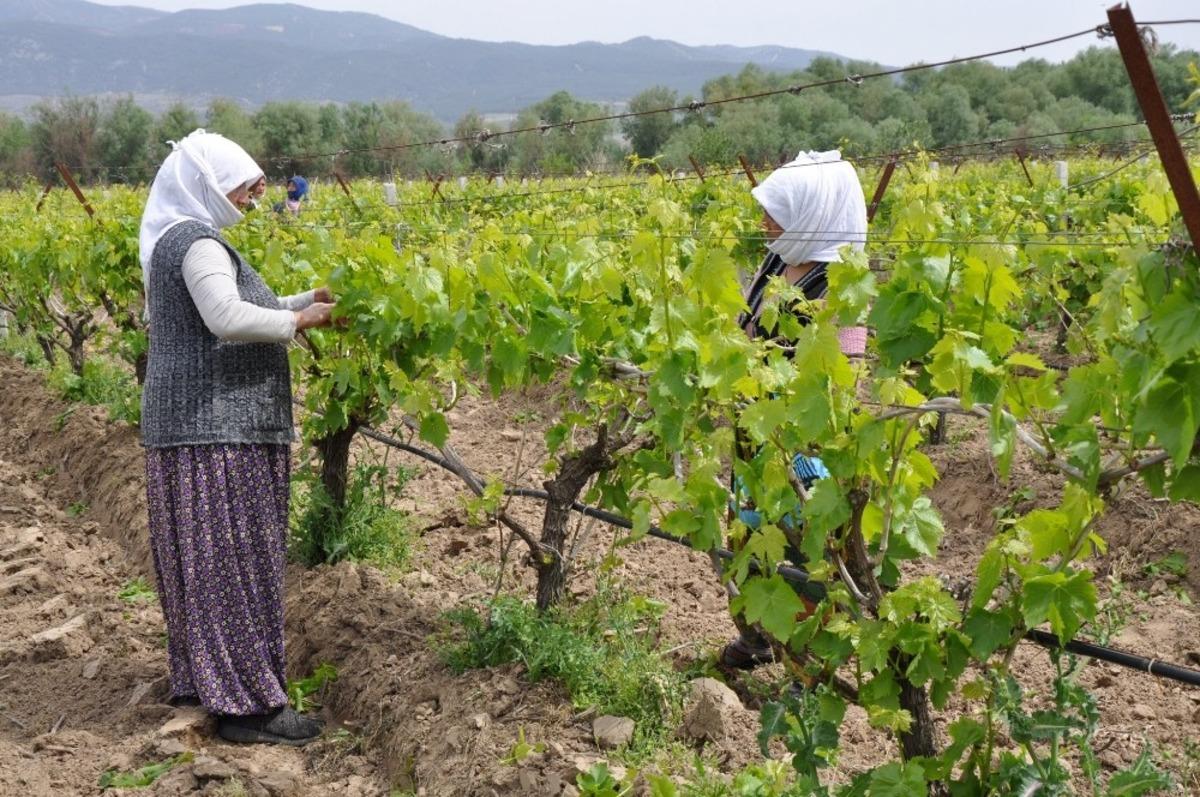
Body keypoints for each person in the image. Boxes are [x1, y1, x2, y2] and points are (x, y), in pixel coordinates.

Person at [138, 130, 337, 746]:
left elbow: (227, 306)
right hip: (218, 432)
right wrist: (297, 320)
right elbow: (224, 317)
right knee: (235, 564)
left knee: (203, 566)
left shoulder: (177, 239)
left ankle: (211, 684)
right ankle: (250, 708)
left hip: (193, 433)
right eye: (245, 184)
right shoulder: (198, 242)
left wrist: (305, 299)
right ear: (207, 182)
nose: (255, 194)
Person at [721, 149, 868, 670]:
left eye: (777, 212)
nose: (765, 223)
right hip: (755, 431)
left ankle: (808, 664)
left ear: (814, 213)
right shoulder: (781, 258)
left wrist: (791, 418)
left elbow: (844, 379)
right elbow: (747, 329)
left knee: (808, 555)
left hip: (805, 447)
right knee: (746, 535)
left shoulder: (843, 286)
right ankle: (758, 637)